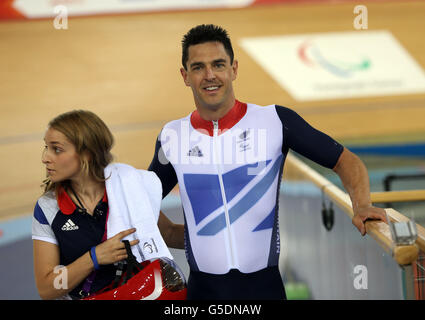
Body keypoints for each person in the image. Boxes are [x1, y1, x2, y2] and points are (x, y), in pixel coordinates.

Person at [148, 24, 387, 300]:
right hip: (203, 292)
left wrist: (363, 205)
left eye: (218, 64)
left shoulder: (275, 121)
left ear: (234, 69)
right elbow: (142, 200)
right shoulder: (172, 137)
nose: (210, 75)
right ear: (185, 75)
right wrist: (176, 235)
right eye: (198, 67)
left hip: (265, 290)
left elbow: (346, 161)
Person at [32, 110, 184, 300]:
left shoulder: (125, 187)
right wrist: (93, 258)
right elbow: (47, 288)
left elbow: (167, 233)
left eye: (57, 149)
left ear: (86, 154)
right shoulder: (47, 207)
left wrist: (221, 237)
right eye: (46, 147)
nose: (45, 157)